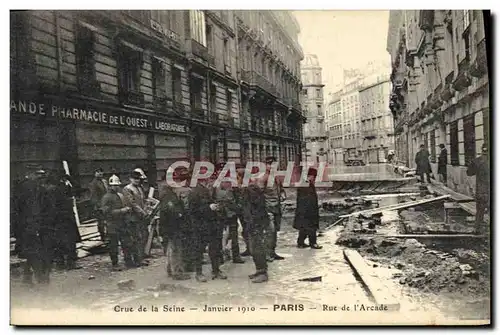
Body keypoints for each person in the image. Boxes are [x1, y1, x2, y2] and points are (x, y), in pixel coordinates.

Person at [12, 164, 53, 286]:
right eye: (38, 175)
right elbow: (34, 209)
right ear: (31, 174)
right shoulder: (33, 188)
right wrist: (38, 225)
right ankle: (41, 278)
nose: (40, 177)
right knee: (38, 252)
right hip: (34, 226)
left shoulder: (21, 187)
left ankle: (27, 278)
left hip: (25, 227)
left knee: (29, 253)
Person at [188, 167, 227, 282]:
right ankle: (199, 273)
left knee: (215, 248)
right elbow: (192, 210)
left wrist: (216, 207)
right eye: (208, 178)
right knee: (199, 249)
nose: (210, 180)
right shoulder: (195, 192)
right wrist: (208, 207)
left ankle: (216, 270)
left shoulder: (209, 190)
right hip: (200, 225)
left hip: (212, 224)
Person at [158, 168, 191, 280]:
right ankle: (177, 272)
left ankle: (171, 270)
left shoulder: (168, 194)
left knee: (171, 249)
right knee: (175, 249)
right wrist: (181, 214)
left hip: (170, 227)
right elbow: (173, 211)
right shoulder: (169, 196)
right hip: (172, 227)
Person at [243, 168, 270, 283]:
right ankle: (259, 271)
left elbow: (254, 208)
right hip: (255, 223)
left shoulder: (252, 189)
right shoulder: (254, 189)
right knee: (255, 248)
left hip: (255, 223)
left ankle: (262, 273)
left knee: (257, 248)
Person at [214, 164, 245, 264]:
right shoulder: (215, 185)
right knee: (220, 236)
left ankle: (235, 256)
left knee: (233, 235)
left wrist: (237, 208)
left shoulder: (232, 184)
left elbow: (238, 197)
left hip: (231, 214)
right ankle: (221, 256)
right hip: (220, 214)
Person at [100, 175, 132, 271]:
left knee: (126, 243)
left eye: (117, 185)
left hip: (122, 223)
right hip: (112, 224)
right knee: (113, 246)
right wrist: (121, 211)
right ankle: (115, 264)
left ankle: (128, 261)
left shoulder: (120, 195)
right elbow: (106, 212)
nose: (116, 187)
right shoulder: (106, 197)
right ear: (110, 186)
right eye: (114, 185)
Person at [52, 173, 82, 270]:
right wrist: (70, 179)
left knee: (61, 242)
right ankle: (69, 263)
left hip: (61, 219)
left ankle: (62, 264)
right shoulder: (61, 189)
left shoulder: (57, 188)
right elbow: (77, 189)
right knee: (68, 241)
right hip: (64, 219)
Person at [123, 170, 148, 266]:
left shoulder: (140, 188)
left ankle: (140, 257)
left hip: (141, 216)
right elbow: (132, 203)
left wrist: (145, 209)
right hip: (132, 217)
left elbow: (143, 200)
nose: (137, 180)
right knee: (134, 238)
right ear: (130, 179)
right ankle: (135, 260)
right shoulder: (127, 189)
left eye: (138, 179)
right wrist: (142, 211)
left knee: (141, 237)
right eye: (134, 179)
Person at [263, 156, 286, 261]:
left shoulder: (276, 177)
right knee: (269, 231)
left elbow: (281, 189)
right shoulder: (263, 177)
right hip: (268, 208)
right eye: (270, 164)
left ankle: (273, 252)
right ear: (266, 165)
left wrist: (282, 194)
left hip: (277, 207)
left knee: (275, 231)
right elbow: (259, 194)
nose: (272, 167)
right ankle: (267, 254)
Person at [293, 167, 322, 249]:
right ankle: (313, 243)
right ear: (311, 176)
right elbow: (305, 199)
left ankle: (301, 243)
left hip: (305, 210)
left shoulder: (306, 183)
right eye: (314, 177)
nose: (315, 179)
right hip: (307, 210)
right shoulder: (305, 184)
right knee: (311, 227)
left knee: (304, 227)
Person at [466, 143, 490, 235]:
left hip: (482, 191)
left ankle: (477, 230)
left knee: (480, 212)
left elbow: (469, 173)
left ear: (482, 150)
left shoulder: (477, 161)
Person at [88, 168, 108, 241]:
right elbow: (93, 196)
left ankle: (107, 235)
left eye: (101, 172)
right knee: (101, 222)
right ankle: (103, 236)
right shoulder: (93, 183)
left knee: (107, 221)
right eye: (98, 172)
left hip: (106, 204)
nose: (100, 173)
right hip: (99, 205)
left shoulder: (104, 181)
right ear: (95, 173)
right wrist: (99, 206)